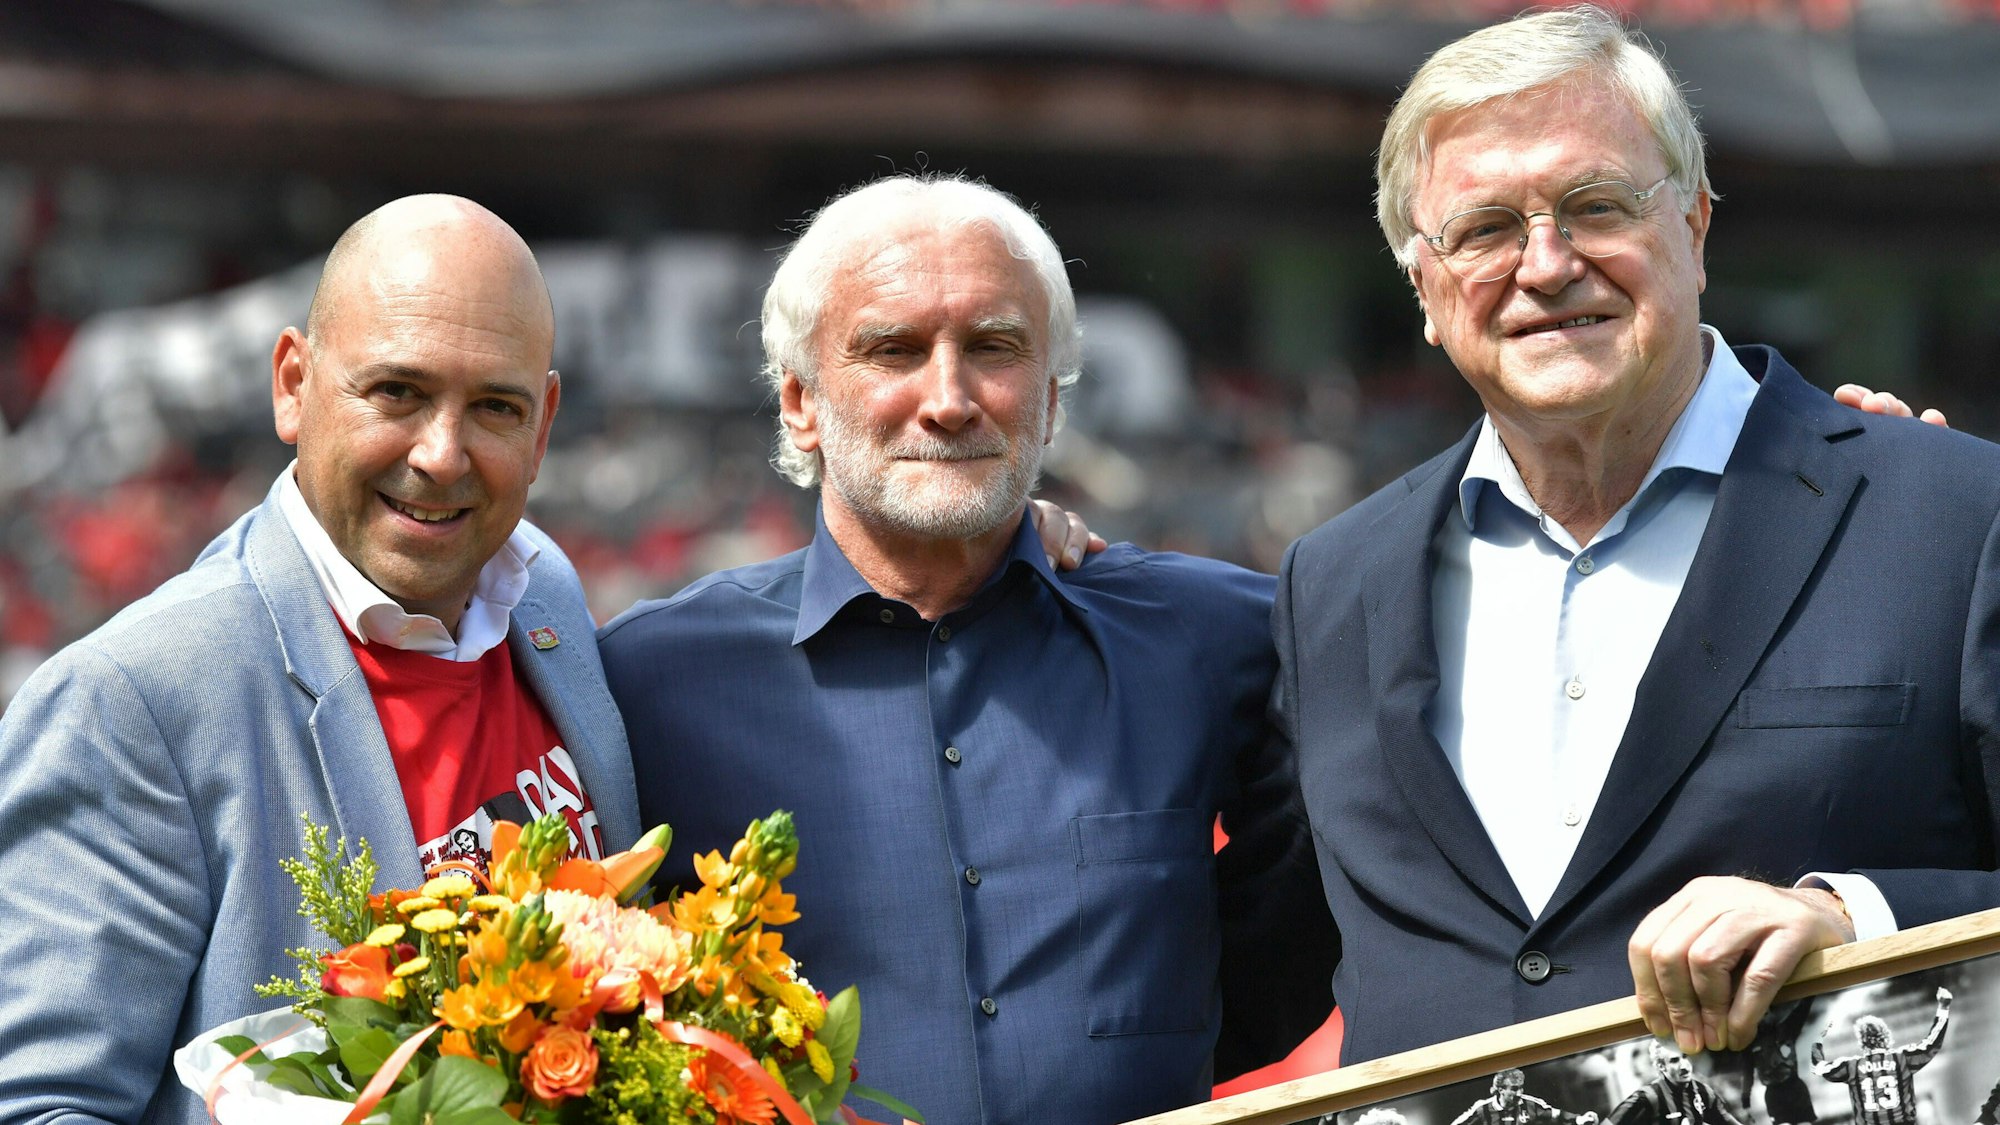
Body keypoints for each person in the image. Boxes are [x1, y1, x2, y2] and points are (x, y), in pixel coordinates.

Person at [1274, 3, 2000, 1066]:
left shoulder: (1952, 515)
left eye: (1594, 205)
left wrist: (1857, 923)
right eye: (1481, 230)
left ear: (1694, 228)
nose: (1544, 263)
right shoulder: (1327, 582)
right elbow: (1223, 959)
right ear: (1423, 290)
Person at [599, 174, 1337, 1125]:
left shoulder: (1221, 636)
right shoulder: (648, 679)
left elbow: (1309, 919)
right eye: (893, 350)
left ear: (1053, 399)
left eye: (993, 347)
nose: (948, 400)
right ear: (799, 402)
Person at [0, 195, 644, 1125]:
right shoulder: (127, 701)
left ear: (542, 424)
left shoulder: (547, 597)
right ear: (293, 384)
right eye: (398, 392)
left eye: (494, 408)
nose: (441, 453)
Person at [1810, 988, 1951, 1125]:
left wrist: (1819, 1037)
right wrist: (1943, 1008)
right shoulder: (1901, 1058)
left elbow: (1819, 1066)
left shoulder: (1852, 1066)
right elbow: (1932, 1044)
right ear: (1886, 1036)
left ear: (1862, 1041)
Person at [1607, 1043, 1747, 1125]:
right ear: (1661, 1066)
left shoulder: (1703, 1091)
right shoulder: (1647, 1098)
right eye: (1674, 1061)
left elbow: (1728, 1121)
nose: (1684, 1066)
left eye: (1685, 1057)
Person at [1452, 1069, 1600, 1125]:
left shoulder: (1531, 1104)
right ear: (1501, 1090)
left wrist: (1580, 1119)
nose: (1519, 1093)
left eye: (1521, 1088)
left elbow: (1557, 1115)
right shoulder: (1483, 1109)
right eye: (1514, 1089)